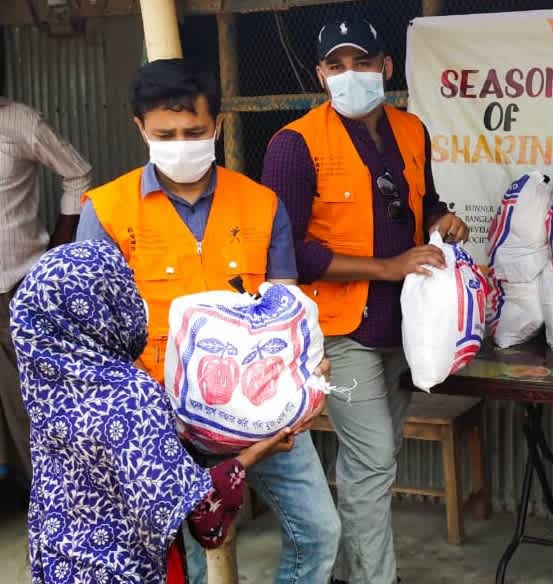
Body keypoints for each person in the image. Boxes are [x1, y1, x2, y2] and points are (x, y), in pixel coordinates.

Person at [76, 58, 340, 584]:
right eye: (165, 133)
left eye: (194, 131)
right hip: (162, 420)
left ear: (217, 126)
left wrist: (308, 373)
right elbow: (93, 339)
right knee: (196, 555)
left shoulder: (262, 205)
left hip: (264, 412)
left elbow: (287, 314)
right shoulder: (105, 211)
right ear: (140, 130)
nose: (181, 142)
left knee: (320, 531)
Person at [262, 18, 468, 584]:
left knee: (374, 460)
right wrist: (387, 267)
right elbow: (285, 253)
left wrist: (440, 220)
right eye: (336, 65)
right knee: (373, 460)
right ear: (320, 75)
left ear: (386, 68)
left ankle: (352, 573)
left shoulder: (411, 129)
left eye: (362, 62)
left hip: (402, 326)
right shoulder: (294, 145)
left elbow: (420, 203)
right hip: (339, 331)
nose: (350, 75)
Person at [11, 239, 295, 582]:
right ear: (99, 308)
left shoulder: (47, 390)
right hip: (125, 570)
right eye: (123, 288)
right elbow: (197, 512)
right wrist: (253, 454)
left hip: (58, 563)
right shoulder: (130, 396)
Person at [0, 96, 92, 488]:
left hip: (18, 282)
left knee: (31, 395)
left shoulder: (18, 121)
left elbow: (78, 174)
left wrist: (62, 239)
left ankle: (47, 489)